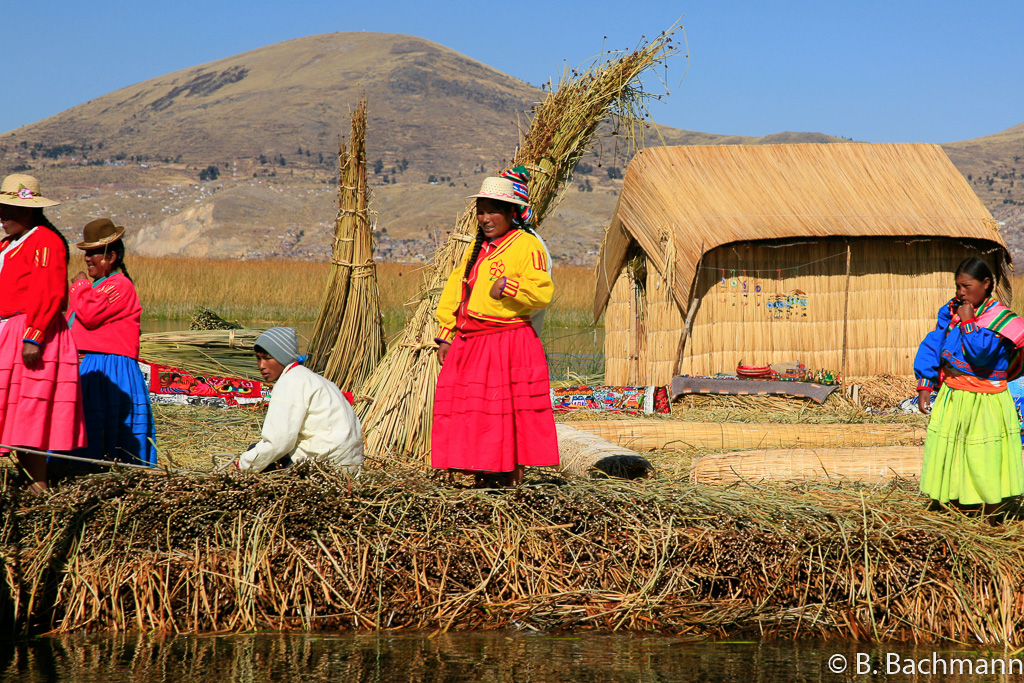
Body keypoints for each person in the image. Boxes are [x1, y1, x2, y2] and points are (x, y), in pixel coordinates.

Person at [432, 168, 559, 487]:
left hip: (508, 342)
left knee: (508, 415)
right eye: (481, 211)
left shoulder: (527, 245)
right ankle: (482, 478)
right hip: (472, 343)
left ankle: (510, 482)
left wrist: (511, 285)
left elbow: (543, 292)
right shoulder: (478, 250)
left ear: (511, 213)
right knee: (476, 414)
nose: (485, 218)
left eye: (493, 212)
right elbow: (456, 291)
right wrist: (447, 335)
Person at [915, 256, 1024, 520]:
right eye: (958, 287)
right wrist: (925, 384)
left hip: (985, 400)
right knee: (954, 453)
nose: (961, 293)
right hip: (954, 396)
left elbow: (981, 355)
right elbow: (934, 343)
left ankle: (991, 515)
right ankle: (959, 510)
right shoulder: (951, 311)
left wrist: (968, 323)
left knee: (982, 454)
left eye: (967, 286)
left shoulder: (1001, 320)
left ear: (986, 284)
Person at [0, 174, 87, 490]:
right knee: (17, 415)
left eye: (7, 210)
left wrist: (33, 336)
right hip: (10, 330)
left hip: (33, 333)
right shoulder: (11, 242)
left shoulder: (45, 242)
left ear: (27, 211)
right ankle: (32, 488)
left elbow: (47, 292)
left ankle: (39, 490)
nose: (2, 217)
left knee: (28, 415)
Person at [67, 218, 157, 466]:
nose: (87, 259)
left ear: (111, 256)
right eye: (86, 253)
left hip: (111, 368)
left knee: (110, 434)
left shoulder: (120, 285)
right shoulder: (99, 286)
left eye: (94, 253)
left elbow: (89, 314)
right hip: (91, 366)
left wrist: (79, 286)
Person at [237, 327, 363, 473]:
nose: (262, 366)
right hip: (349, 466)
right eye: (258, 359)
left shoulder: (290, 382)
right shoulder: (313, 379)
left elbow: (278, 442)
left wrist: (243, 466)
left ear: (282, 357)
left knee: (256, 452)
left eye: (267, 358)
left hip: (322, 467)